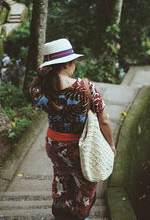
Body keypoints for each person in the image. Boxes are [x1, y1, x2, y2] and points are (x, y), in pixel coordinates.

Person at [30, 38, 116, 220]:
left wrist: (46, 69)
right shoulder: (85, 88)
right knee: (87, 183)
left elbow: (38, 79)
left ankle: (61, 211)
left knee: (62, 176)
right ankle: (79, 216)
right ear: (69, 63)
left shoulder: (39, 90)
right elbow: (104, 120)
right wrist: (111, 144)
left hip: (53, 143)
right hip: (78, 146)